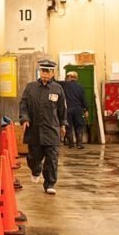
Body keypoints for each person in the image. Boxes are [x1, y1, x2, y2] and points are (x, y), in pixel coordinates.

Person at [19, 59, 67, 195]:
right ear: (39, 71)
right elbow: (23, 105)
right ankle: (35, 169)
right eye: (43, 71)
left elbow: (62, 109)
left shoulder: (58, 89)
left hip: (52, 129)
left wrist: (63, 124)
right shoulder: (30, 88)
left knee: (52, 158)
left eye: (48, 71)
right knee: (34, 157)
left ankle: (50, 183)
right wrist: (24, 119)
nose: (45, 74)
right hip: (34, 130)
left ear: (53, 72)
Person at [60, 71, 88, 149]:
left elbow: (54, 81)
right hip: (78, 109)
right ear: (76, 77)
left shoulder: (64, 85)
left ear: (69, 77)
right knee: (79, 126)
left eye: (67, 77)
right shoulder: (80, 87)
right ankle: (79, 144)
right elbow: (83, 99)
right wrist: (86, 110)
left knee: (68, 127)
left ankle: (71, 144)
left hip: (68, 109)